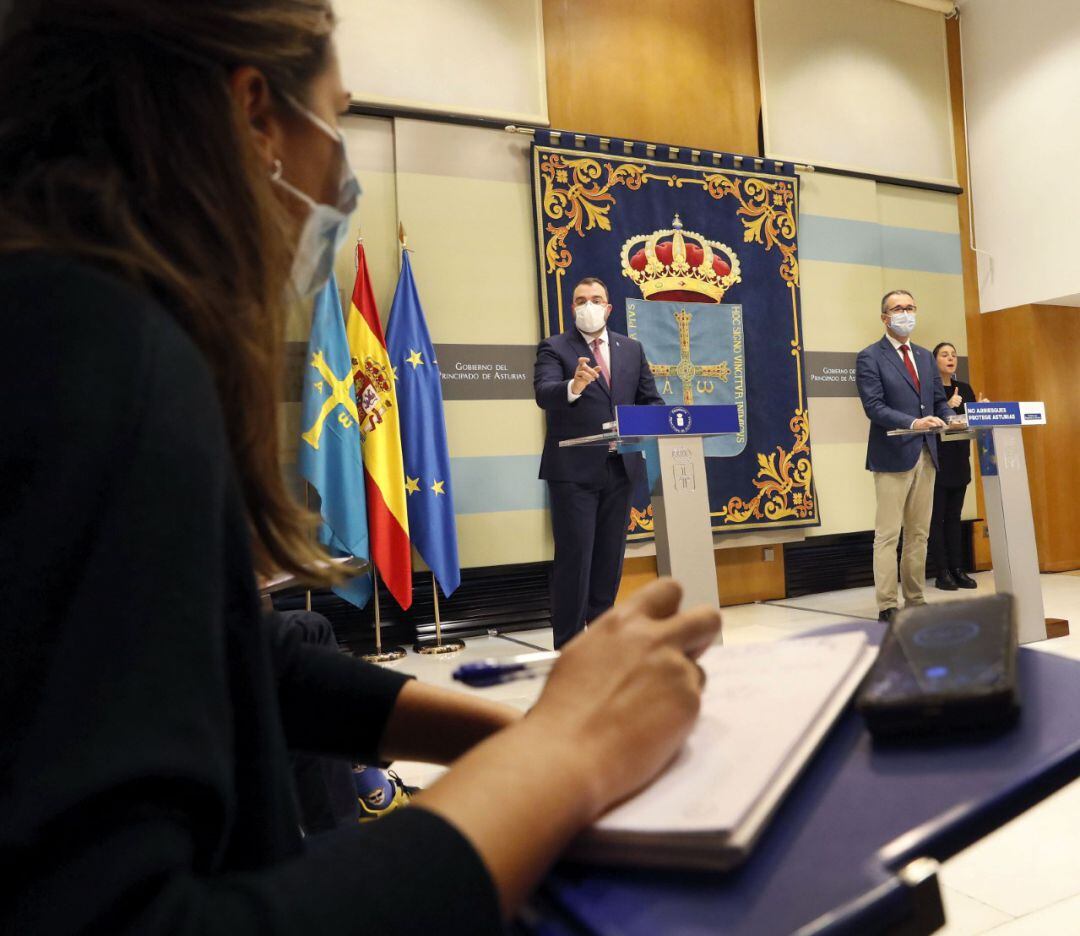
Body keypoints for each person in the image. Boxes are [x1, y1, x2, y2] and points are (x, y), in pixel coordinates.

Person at [0, 3, 722, 934]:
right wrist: (561, 767)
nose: (341, 174)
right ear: (255, 116)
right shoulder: (94, 358)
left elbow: (230, 658)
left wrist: (536, 732)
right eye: (337, 118)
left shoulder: (69, 319)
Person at [534, 277, 664, 648]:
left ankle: (604, 643)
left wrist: (648, 422)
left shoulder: (631, 349)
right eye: (580, 300)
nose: (587, 306)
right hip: (573, 474)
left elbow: (651, 401)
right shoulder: (555, 348)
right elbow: (545, 394)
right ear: (571, 308)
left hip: (619, 470)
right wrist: (573, 386)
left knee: (609, 562)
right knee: (575, 561)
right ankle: (572, 646)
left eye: (595, 299)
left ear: (608, 308)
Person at [855, 290, 957, 623]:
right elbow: (874, 407)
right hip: (892, 455)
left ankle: (915, 598)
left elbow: (938, 400)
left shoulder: (926, 357)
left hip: (927, 453)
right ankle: (887, 604)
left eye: (910, 307)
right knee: (887, 535)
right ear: (884, 317)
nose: (905, 313)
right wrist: (913, 422)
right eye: (898, 308)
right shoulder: (870, 357)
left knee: (918, 533)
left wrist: (952, 418)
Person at [928, 342, 984, 591]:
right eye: (944, 355)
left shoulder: (965, 388)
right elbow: (928, 423)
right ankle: (942, 572)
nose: (950, 358)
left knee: (954, 517)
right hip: (937, 461)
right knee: (936, 518)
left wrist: (980, 411)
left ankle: (958, 569)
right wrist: (947, 407)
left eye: (953, 355)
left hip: (960, 460)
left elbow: (969, 423)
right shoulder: (929, 389)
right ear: (934, 361)